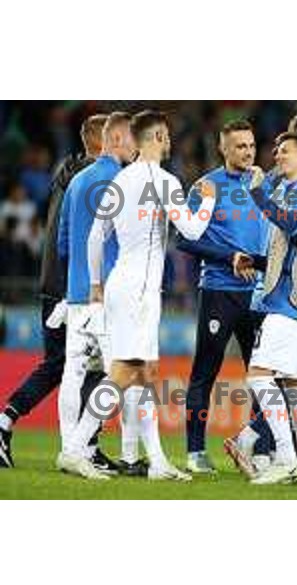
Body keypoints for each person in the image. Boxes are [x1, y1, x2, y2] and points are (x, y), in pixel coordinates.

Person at [56, 110, 217, 480]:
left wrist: (96, 285)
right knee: (124, 371)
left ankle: (157, 460)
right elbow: (192, 230)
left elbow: (97, 237)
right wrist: (206, 200)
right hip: (142, 289)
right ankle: (75, 447)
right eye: (167, 135)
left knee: (144, 373)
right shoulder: (164, 182)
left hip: (117, 283)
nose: (170, 141)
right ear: (158, 137)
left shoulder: (121, 180)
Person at [0, 114, 108, 469]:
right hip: (69, 288)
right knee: (68, 364)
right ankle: (6, 424)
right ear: (100, 140)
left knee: (80, 364)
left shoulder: (71, 174)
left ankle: (87, 446)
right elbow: (71, 240)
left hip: (61, 283)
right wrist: (68, 291)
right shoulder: (87, 180)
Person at [176, 119, 269, 474]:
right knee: (205, 373)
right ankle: (195, 453)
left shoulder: (264, 183)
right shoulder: (206, 186)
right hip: (219, 291)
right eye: (239, 146)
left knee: (261, 375)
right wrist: (228, 257)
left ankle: (258, 451)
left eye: (250, 145)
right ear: (223, 149)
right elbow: (186, 238)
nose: (247, 152)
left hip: (259, 295)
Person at [238, 132, 297, 485]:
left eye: (285, 151)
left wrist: (259, 192)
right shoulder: (291, 191)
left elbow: (293, 223)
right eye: (277, 150)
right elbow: (293, 251)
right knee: (296, 386)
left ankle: (286, 457)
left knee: (259, 375)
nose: (278, 155)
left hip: (288, 302)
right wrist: (259, 262)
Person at [56, 111, 137, 473]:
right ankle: (129, 454)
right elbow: (127, 240)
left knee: (72, 373)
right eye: (133, 138)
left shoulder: (76, 181)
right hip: (109, 294)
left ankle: (71, 448)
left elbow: (62, 243)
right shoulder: (122, 181)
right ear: (117, 139)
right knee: (126, 372)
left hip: (77, 295)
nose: (137, 146)